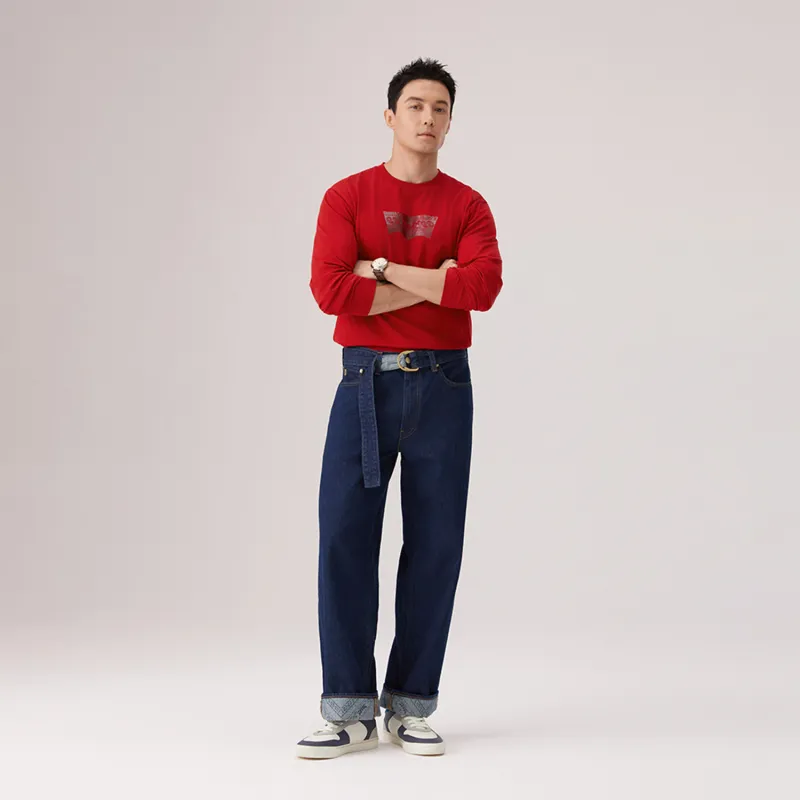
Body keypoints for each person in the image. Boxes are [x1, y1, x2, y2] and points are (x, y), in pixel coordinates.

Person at [296, 58, 503, 759]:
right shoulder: (347, 196)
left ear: (450, 122)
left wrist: (380, 269)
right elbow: (331, 290)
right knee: (344, 538)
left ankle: (411, 705)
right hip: (365, 383)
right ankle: (349, 709)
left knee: (436, 543)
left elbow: (481, 289)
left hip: (445, 386)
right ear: (390, 116)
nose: (427, 118)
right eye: (415, 105)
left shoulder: (468, 205)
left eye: (439, 108)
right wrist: (435, 282)